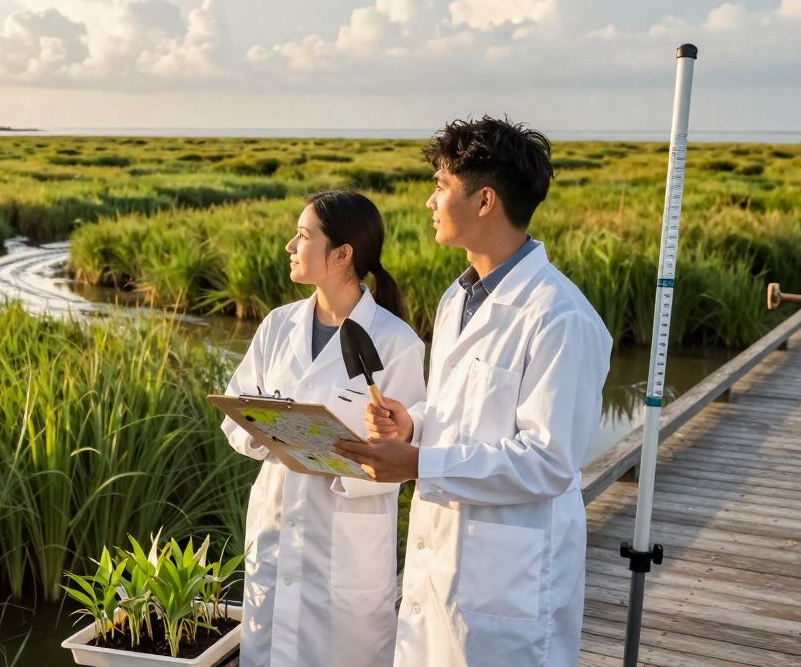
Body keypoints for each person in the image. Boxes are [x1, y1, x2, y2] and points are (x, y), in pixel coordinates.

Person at [336, 117, 613, 667]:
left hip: (507, 587)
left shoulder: (560, 317)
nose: (429, 201)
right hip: (441, 566)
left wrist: (418, 462)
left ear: (485, 201)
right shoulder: (457, 298)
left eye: (441, 186)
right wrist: (412, 422)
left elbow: (548, 462)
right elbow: (458, 410)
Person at [221, 190, 427, 667]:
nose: (290, 246)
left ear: (342, 254)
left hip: (346, 547)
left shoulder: (396, 342)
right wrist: (262, 427)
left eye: (303, 236)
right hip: (276, 532)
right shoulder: (276, 326)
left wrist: (379, 441)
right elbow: (234, 419)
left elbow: (409, 453)